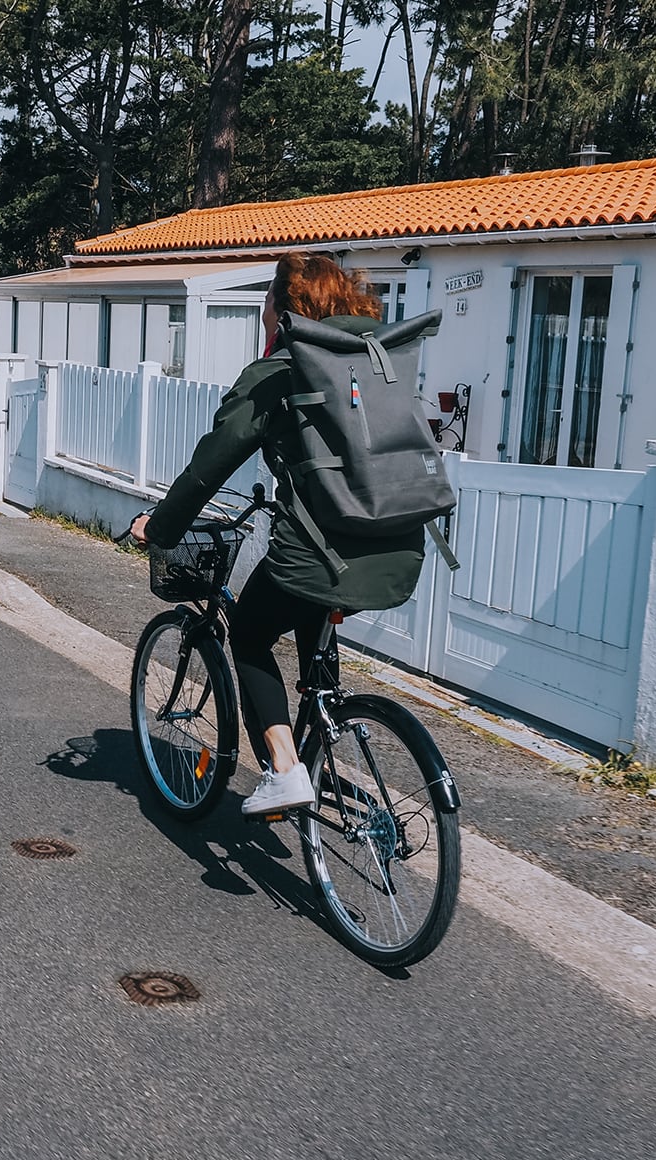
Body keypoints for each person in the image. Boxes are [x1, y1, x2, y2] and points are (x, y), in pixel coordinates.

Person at [129, 252, 426, 815]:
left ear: (283, 309)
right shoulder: (372, 362)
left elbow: (207, 469)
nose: (263, 311)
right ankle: (321, 740)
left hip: (317, 554)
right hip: (394, 547)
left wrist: (162, 525)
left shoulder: (280, 372)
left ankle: (287, 771)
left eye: (267, 299)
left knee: (247, 632)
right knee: (315, 623)